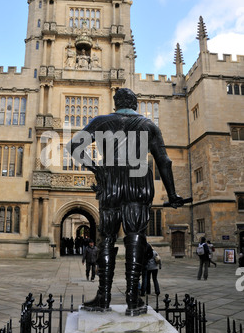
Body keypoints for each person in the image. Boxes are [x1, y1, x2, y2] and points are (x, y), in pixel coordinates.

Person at [67, 87, 186, 316]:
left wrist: (97, 169)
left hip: (110, 186)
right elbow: (164, 161)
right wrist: (172, 194)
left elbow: (73, 146)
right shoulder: (149, 126)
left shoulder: (101, 121)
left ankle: (103, 297)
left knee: (107, 238)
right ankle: (133, 298)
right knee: (136, 238)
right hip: (138, 185)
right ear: (135, 105)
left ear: (115, 103)